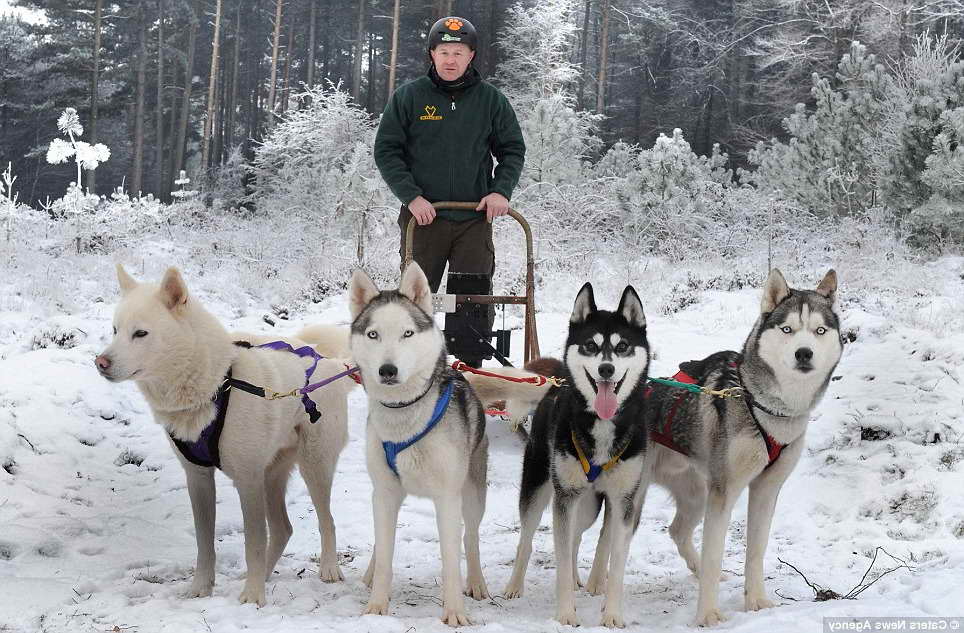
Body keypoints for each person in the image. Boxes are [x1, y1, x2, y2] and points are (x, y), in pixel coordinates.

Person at [374, 16, 526, 367]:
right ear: (432, 54)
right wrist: (411, 196)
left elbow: (512, 149)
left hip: (474, 219)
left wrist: (500, 192)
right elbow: (387, 150)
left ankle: (470, 370)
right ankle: (409, 368)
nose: (451, 59)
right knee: (416, 298)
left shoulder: (491, 101)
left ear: (471, 55)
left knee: (470, 298)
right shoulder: (409, 97)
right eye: (444, 51)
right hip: (423, 219)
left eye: (458, 52)